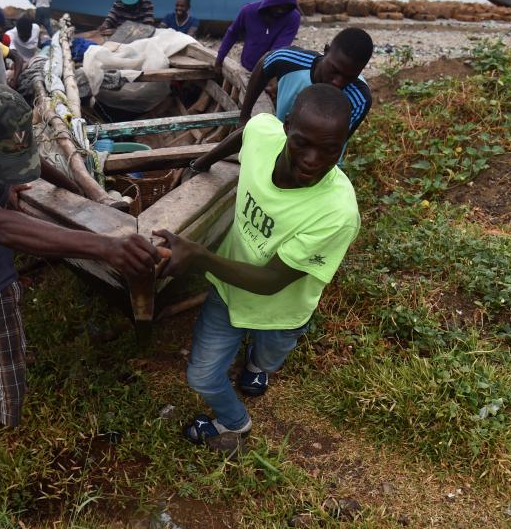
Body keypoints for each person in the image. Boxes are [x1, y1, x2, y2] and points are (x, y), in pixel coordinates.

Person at [0, 82, 162, 460]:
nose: (8, 176)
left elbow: (37, 164)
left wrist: (88, 198)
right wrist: (105, 246)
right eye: (1, 168)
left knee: (8, 388)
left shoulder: (1, 142)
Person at [154, 84, 360, 447]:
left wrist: (201, 257)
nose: (313, 159)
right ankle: (234, 423)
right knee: (202, 377)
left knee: (268, 357)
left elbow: (269, 282)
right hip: (229, 292)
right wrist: (200, 164)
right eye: (303, 143)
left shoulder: (337, 212)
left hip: (283, 310)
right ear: (286, 125)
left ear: (343, 142)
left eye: (330, 149)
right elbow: (243, 135)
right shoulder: (264, 132)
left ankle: (257, 366)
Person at [237, 27, 374, 134]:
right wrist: (244, 116)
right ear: (326, 50)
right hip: (278, 135)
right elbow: (263, 65)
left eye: (349, 77)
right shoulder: (290, 60)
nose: (338, 82)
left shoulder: (359, 99)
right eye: (334, 70)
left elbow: (336, 143)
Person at [215, 0, 301, 72]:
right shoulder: (248, 11)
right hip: (246, 65)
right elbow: (232, 34)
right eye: (277, 6)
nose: (280, 10)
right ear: (270, 2)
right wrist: (220, 58)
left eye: (284, 8)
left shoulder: (293, 17)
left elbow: (279, 48)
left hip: (270, 69)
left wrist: (264, 74)